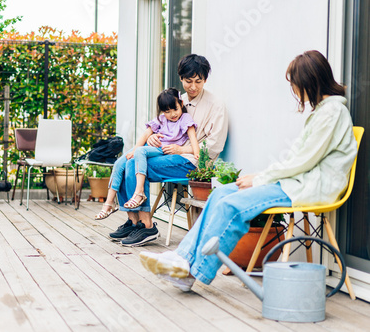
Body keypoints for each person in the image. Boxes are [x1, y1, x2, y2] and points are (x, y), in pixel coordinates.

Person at [138, 50, 358, 291]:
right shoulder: (324, 111)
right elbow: (300, 161)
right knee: (221, 194)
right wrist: (260, 178)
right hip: (294, 182)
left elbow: (302, 162)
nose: (294, 91)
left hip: (308, 187)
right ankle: (184, 259)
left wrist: (259, 178)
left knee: (231, 204)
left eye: (295, 84)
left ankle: (192, 270)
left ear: (309, 82)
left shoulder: (332, 112)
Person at [109, 54, 229, 246]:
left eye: (198, 81)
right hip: (167, 154)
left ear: (205, 80)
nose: (193, 86)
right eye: (188, 81)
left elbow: (215, 146)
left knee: (135, 163)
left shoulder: (215, 105)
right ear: (181, 78)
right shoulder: (176, 101)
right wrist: (153, 137)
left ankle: (147, 226)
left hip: (192, 162)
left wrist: (181, 149)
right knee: (128, 160)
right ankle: (134, 221)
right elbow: (160, 126)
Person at [94, 88, 200, 220]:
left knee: (138, 152)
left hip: (162, 150)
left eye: (175, 109)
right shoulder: (161, 119)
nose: (172, 114)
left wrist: (196, 153)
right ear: (162, 111)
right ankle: (109, 204)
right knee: (120, 163)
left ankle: (139, 192)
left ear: (181, 104)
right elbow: (145, 135)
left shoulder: (185, 118)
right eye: (167, 111)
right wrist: (133, 150)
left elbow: (192, 137)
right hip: (147, 148)